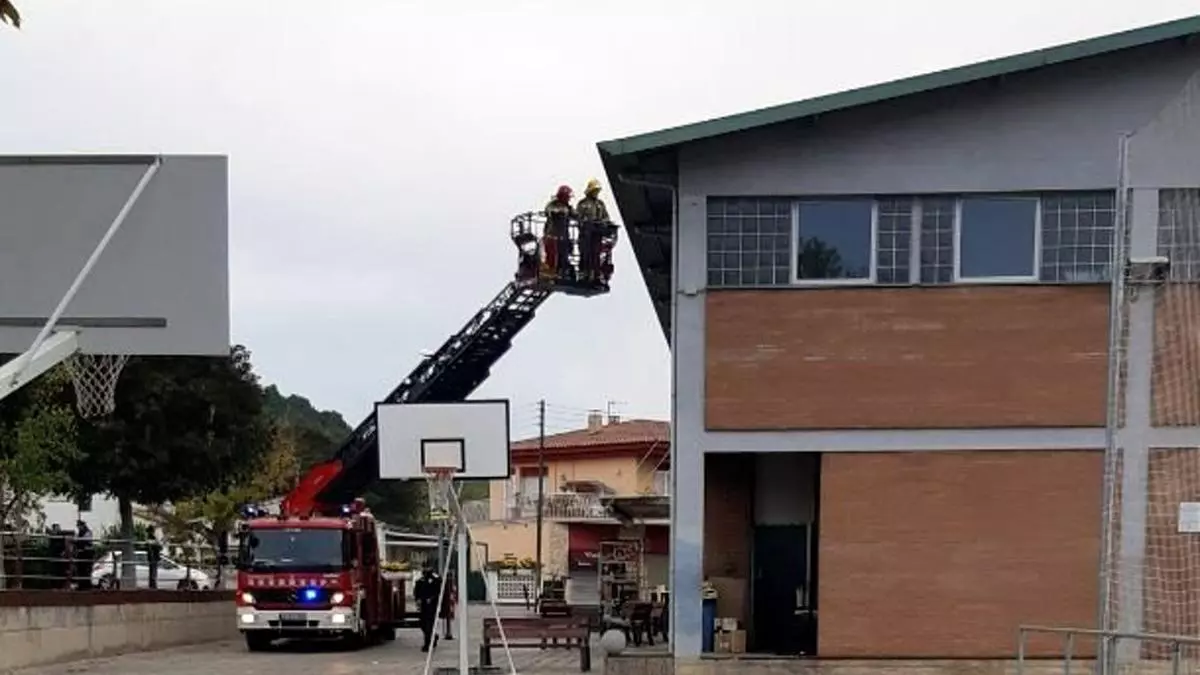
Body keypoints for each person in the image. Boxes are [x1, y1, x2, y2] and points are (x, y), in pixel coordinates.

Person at [575, 178, 610, 282]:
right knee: (584, 253)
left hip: (597, 233)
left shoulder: (600, 204)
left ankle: (595, 275)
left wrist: (603, 222)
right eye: (595, 190)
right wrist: (584, 221)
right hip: (585, 233)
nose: (596, 193)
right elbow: (578, 216)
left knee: (596, 254)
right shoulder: (583, 203)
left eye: (597, 191)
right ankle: (583, 274)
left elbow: (606, 217)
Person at [542, 185, 575, 280]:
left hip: (564, 236)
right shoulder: (553, 204)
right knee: (551, 255)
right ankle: (550, 272)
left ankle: (563, 272)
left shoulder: (568, 207)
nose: (569, 199)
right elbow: (547, 210)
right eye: (567, 196)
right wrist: (557, 211)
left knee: (564, 255)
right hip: (552, 235)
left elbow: (575, 214)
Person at [413, 563, 442, 652]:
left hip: (432, 606)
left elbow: (439, 592)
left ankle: (427, 644)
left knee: (429, 625)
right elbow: (416, 591)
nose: (426, 569)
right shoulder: (420, 580)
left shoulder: (436, 579)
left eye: (428, 567)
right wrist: (418, 599)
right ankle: (434, 637)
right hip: (423, 606)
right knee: (423, 625)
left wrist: (432, 599)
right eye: (424, 567)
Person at [73, 520, 94, 590]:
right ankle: (81, 585)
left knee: (87, 570)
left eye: (79, 526)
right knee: (80, 570)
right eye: (78, 526)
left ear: (83, 525)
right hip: (81, 554)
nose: (78, 527)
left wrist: (77, 540)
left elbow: (85, 540)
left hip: (87, 554)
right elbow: (76, 540)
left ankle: (87, 585)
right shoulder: (79, 533)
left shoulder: (88, 532)